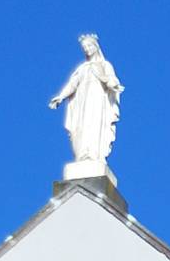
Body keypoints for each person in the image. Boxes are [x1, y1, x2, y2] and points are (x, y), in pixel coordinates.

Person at [49, 34, 122, 167]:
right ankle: (82, 155)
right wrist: (61, 97)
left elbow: (111, 79)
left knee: (94, 126)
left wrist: (113, 85)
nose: (87, 49)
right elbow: (72, 84)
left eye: (89, 46)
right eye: (84, 47)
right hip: (83, 104)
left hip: (98, 103)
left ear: (96, 47)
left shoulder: (104, 65)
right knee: (81, 127)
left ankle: (94, 154)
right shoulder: (82, 68)